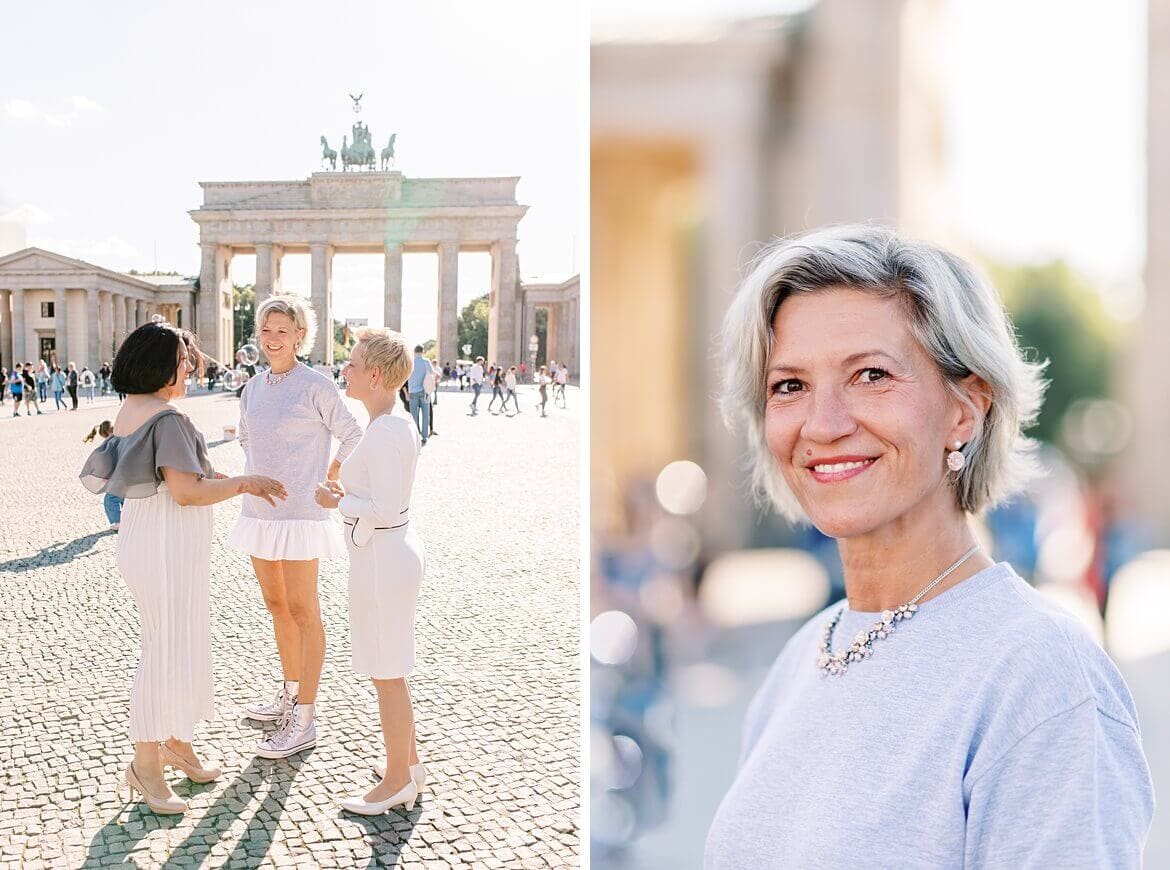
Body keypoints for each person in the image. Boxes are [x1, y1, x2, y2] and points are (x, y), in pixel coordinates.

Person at [703, 226, 1154, 866]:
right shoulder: (806, 655)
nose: (823, 424)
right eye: (789, 386)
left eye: (870, 375)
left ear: (965, 410)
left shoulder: (1042, 676)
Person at [80, 321, 287, 815]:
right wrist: (246, 483)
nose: (191, 368)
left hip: (149, 539)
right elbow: (188, 491)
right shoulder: (167, 418)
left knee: (176, 643)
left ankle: (177, 743)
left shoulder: (133, 407)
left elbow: (181, 476)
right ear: (161, 365)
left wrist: (225, 476)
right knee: (164, 650)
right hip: (164, 546)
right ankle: (145, 765)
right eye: (183, 360)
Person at [228, 294, 362, 759]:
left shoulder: (316, 384)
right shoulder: (252, 387)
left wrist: (331, 476)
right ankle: (288, 693)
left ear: (301, 335)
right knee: (275, 604)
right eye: (266, 330)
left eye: (283, 331)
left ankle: (306, 716)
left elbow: (353, 433)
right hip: (260, 514)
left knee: (305, 610)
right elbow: (246, 435)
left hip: (302, 515)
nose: (272, 339)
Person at [315, 327, 425, 815]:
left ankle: (398, 779)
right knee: (392, 666)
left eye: (353, 365)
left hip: (382, 555)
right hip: (390, 551)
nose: (346, 370)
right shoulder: (396, 422)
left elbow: (379, 505)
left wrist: (337, 499)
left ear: (376, 375)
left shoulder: (383, 432)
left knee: (387, 671)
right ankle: (410, 763)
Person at [84, 421, 125, 529]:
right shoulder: (122, 438)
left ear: (104, 432)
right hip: (126, 475)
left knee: (111, 499)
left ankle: (117, 522)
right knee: (124, 498)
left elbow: (106, 462)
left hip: (116, 477)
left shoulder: (109, 443)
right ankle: (128, 519)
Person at [406, 345, 431, 447]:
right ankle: (424, 437)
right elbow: (432, 374)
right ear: (423, 351)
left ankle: (415, 435)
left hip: (412, 392)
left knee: (414, 415)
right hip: (425, 392)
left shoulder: (410, 362)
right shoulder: (426, 362)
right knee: (425, 415)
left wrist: (406, 392)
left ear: (414, 351)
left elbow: (405, 377)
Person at [423, 358, 439, 437]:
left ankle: (427, 430)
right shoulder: (429, 373)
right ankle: (429, 430)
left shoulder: (427, 372)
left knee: (427, 412)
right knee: (428, 412)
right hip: (425, 393)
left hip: (423, 393)